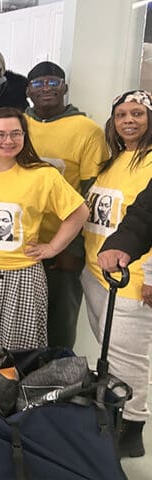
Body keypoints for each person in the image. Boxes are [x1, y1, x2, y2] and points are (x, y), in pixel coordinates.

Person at [0, 107, 88, 350]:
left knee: (18, 356)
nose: (8, 141)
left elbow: (79, 212)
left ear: (25, 137)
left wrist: (53, 247)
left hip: (21, 276)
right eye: (0, 134)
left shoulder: (42, 174)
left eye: (16, 134)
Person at [83, 90, 152, 458]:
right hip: (96, 273)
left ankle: (133, 427)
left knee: (130, 358)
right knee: (109, 350)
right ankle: (113, 413)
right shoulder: (113, 161)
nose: (129, 120)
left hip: (133, 278)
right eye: (122, 114)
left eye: (138, 113)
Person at [24, 61, 109, 349]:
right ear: (28, 91)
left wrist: (72, 248)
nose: (45, 88)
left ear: (64, 87)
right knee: (19, 327)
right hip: (20, 247)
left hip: (63, 248)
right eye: (38, 84)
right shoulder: (16, 125)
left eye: (52, 82)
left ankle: (57, 386)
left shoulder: (87, 130)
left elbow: (92, 198)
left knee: (59, 326)